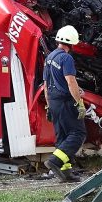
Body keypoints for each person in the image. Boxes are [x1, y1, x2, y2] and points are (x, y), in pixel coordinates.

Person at [42, 25, 87, 183]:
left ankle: (65, 172)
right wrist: (79, 103)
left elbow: (46, 85)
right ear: (72, 43)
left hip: (53, 101)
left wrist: (48, 105)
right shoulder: (66, 58)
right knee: (77, 134)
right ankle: (54, 161)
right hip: (65, 101)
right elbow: (70, 82)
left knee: (62, 136)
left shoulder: (49, 58)